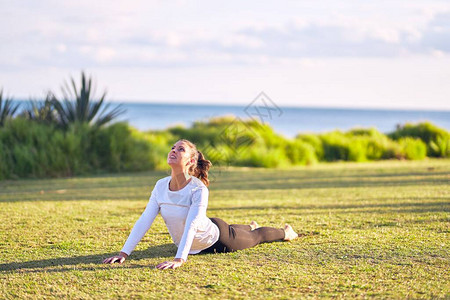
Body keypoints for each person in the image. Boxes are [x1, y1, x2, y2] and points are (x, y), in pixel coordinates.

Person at [103, 139, 298, 269]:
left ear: (191, 160)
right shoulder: (160, 185)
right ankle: (249, 225)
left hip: (217, 238)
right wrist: (124, 253)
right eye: (173, 147)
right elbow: (145, 219)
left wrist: (180, 259)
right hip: (201, 229)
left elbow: (192, 224)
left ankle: (286, 232)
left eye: (181, 149)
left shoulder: (198, 189)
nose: (173, 150)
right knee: (240, 229)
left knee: (256, 236)